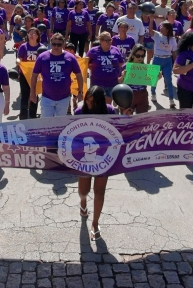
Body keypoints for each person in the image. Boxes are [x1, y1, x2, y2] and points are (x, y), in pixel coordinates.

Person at [74, 86, 115, 241]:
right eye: (87, 100)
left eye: (93, 102)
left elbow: (117, 131)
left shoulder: (110, 111)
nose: (89, 104)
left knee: (100, 192)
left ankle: (95, 223)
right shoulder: (79, 112)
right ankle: (83, 203)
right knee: (83, 191)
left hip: (104, 158)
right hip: (83, 158)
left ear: (100, 102)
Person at [30, 33, 84, 117]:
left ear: (63, 44)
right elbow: (34, 75)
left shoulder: (70, 58)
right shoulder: (42, 57)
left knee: (59, 125)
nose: (56, 47)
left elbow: (79, 75)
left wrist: (80, 92)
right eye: (54, 44)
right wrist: (32, 93)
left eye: (59, 45)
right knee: (46, 123)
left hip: (64, 98)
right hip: (47, 97)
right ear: (50, 44)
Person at [86, 32, 125, 104]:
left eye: (110, 40)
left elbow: (121, 64)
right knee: (96, 104)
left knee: (107, 105)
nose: (109, 42)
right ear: (101, 41)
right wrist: (92, 69)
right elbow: (86, 63)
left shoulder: (115, 50)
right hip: (97, 83)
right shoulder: (93, 51)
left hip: (112, 83)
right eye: (106, 40)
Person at [150, 22, 177, 109]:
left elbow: (174, 52)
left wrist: (176, 63)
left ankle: (171, 100)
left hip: (167, 60)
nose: (160, 27)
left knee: (168, 80)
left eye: (162, 27)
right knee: (154, 78)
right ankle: (153, 94)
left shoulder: (172, 39)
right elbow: (150, 30)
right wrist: (151, 20)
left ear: (167, 29)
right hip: (157, 59)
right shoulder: (157, 35)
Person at [17, 27, 42, 120]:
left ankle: (32, 114)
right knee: (25, 95)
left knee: (35, 94)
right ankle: (23, 114)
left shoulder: (41, 47)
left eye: (33, 34)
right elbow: (19, 58)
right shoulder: (23, 46)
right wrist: (18, 61)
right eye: (29, 33)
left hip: (37, 75)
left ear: (37, 36)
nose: (31, 35)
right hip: (25, 74)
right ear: (27, 35)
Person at [119, 44, 151, 114]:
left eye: (142, 56)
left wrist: (157, 77)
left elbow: (150, 80)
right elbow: (118, 81)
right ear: (133, 55)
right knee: (126, 119)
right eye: (138, 56)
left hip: (142, 95)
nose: (140, 58)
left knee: (142, 119)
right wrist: (122, 77)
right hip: (128, 95)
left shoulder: (146, 67)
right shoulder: (126, 66)